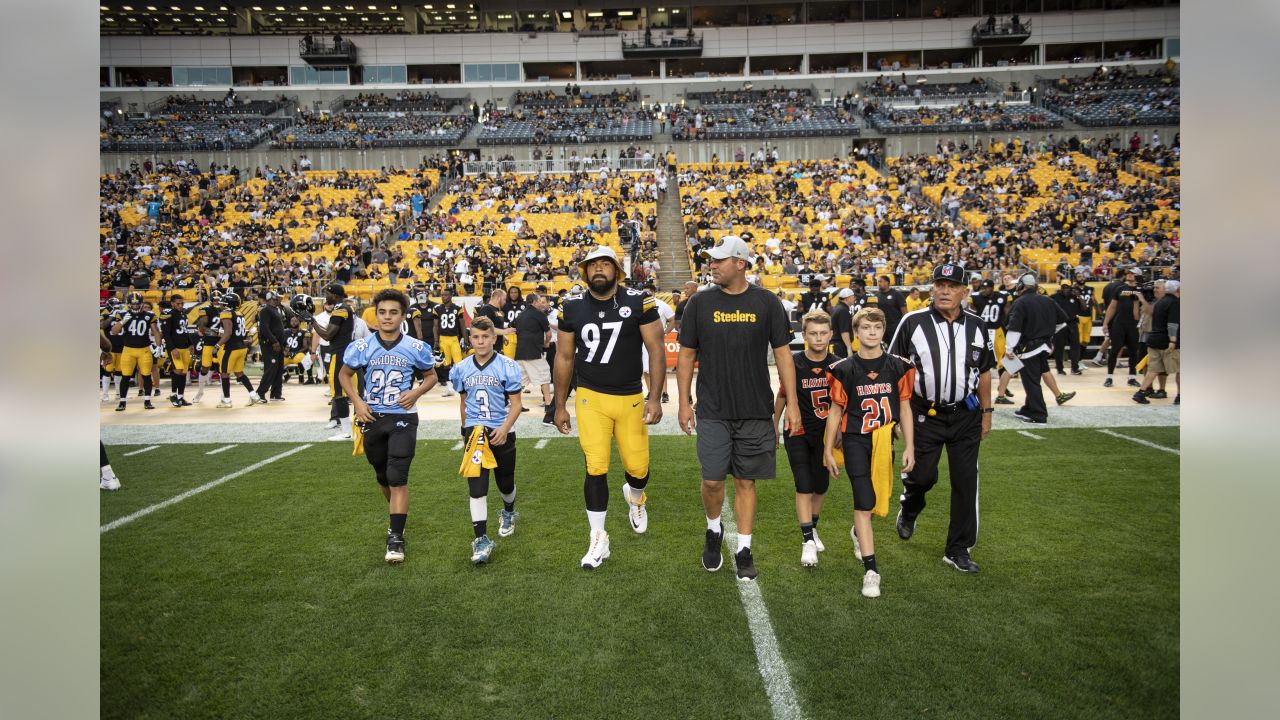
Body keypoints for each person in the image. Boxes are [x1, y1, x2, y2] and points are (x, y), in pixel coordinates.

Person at [677, 236, 798, 581]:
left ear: (741, 263)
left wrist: (792, 405)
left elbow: (783, 355)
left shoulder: (767, 302)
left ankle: (744, 548)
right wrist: (684, 402)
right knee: (712, 480)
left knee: (746, 481)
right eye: (710, 261)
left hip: (756, 409)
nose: (711, 265)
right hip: (713, 409)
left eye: (719, 260)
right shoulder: (700, 304)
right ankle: (714, 530)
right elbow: (686, 355)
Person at [555, 246, 666, 570]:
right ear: (584, 272)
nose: (599, 269)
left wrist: (655, 396)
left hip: (631, 397)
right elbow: (564, 357)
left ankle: (636, 498)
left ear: (617, 271)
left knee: (638, 469)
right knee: (595, 467)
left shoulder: (638, 300)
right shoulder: (572, 306)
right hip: (591, 397)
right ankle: (598, 537)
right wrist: (558, 405)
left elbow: (656, 349)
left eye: (606, 264)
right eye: (593, 265)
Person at [888, 263, 994, 573]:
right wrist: (895, 414)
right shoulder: (912, 322)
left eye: (952, 285)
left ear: (965, 291)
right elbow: (896, 370)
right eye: (940, 284)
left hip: (966, 414)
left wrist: (987, 413)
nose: (944, 290)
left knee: (965, 481)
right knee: (922, 475)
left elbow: (985, 371)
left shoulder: (978, 326)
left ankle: (958, 549)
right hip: (924, 413)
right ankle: (910, 507)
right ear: (932, 288)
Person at [339, 289, 438, 565]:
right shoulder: (362, 346)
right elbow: (344, 374)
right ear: (376, 314)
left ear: (402, 316)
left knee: (397, 476)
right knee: (383, 476)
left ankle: (395, 537)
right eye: (382, 312)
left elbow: (431, 377)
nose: (387, 317)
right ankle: (397, 516)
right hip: (372, 416)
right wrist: (357, 402)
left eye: (393, 312)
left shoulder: (416, 347)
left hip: (403, 417)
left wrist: (416, 392)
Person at [824, 307, 916, 598]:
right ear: (856, 333)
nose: (872, 333)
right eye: (865, 328)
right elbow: (835, 412)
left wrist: (910, 445)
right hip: (855, 439)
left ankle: (857, 532)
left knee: (875, 500)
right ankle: (871, 570)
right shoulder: (844, 368)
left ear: (884, 331)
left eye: (877, 327)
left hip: (884, 440)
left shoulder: (899, 366)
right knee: (864, 501)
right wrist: (827, 450)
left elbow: (904, 408)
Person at [451, 316, 524, 564]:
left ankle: (509, 511)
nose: (480, 342)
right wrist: (465, 432)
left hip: (500, 430)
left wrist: (505, 428)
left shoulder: (507, 365)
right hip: (476, 433)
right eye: (476, 337)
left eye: (485, 337)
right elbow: (463, 403)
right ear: (470, 338)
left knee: (505, 483)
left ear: (494, 338)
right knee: (477, 488)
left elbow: (516, 405)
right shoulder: (461, 368)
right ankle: (481, 539)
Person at [773, 311, 841, 568]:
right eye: (813, 333)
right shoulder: (794, 362)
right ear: (804, 334)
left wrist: (842, 432)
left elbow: (843, 402)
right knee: (803, 483)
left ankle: (812, 528)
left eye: (823, 333)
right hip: (798, 430)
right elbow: (782, 394)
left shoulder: (838, 365)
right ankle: (807, 541)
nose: (819, 338)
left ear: (831, 334)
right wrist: (774, 424)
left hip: (827, 434)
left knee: (821, 485)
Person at [1003, 273, 1075, 425]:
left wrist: (1009, 349)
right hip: (1044, 346)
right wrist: (1048, 335)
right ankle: (1029, 408)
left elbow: (1015, 328)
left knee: (1030, 381)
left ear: (1021, 286)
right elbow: (1062, 321)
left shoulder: (1020, 302)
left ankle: (1038, 413)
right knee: (1034, 378)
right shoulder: (1048, 300)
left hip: (1028, 348)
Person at [309, 283, 356, 438]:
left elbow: (328, 335)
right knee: (346, 392)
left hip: (340, 354)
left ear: (334, 295)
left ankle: (346, 431)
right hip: (345, 353)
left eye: (328, 293)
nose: (326, 296)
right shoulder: (343, 309)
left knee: (339, 394)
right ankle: (351, 428)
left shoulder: (341, 309)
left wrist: (312, 321)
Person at [111, 292, 162, 412]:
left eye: (137, 303)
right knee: (125, 376)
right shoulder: (122, 314)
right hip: (128, 349)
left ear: (141, 303)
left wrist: (158, 347)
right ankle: (122, 402)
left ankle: (147, 400)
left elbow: (156, 332)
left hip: (144, 349)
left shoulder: (149, 315)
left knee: (146, 375)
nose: (135, 306)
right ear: (129, 304)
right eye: (133, 304)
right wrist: (122, 321)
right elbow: (114, 331)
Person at [1133, 280, 1179, 405]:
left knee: (1153, 369)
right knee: (1180, 369)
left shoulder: (1159, 303)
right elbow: (1172, 324)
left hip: (1153, 339)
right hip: (1166, 340)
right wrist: (1173, 340)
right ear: (1177, 290)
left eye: (1157, 288)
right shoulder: (1174, 303)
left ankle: (1140, 393)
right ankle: (1180, 396)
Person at [215, 291, 261, 408]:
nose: (221, 305)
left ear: (228, 304)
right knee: (239, 373)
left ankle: (226, 400)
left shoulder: (226, 313)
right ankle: (253, 395)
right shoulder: (239, 313)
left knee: (224, 374)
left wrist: (218, 345)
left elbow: (228, 333)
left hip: (231, 348)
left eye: (223, 303)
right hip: (241, 347)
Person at [512, 292, 553, 414]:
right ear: (534, 302)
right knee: (544, 377)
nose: (541, 304)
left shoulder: (519, 316)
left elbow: (514, 329)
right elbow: (549, 334)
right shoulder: (540, 314)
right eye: (539, 301)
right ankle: (548, 404)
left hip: (520, 352)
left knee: (519, 381)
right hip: (534, 351)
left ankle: (516, 405)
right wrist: (546, 343)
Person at [1102, 268, 1142, 387]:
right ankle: (1109, 377)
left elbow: (1141, 310)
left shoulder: (1142, 290)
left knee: (1133, 352)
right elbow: (1112, 307)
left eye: (1132, 273)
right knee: (1114, 350)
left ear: (1138, 276)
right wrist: (1105, 323)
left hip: (1134, 325)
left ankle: (1132, 377)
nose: (1129, 275)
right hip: (1119, 323)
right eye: (1128, 273)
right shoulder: (1119, 289)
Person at [159, 293, 193, 407]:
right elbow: (166, 334)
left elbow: (184, 331)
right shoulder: (168, 314)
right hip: (175, 347)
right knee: (177, 370)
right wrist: (172, 348)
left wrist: (190, 344)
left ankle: (180, 397)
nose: (180, 305)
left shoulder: (183, 313)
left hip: (184, 347)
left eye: (182, 303)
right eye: (178, 303)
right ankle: (173, 394)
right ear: (172, 303)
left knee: (183, 372)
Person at [255, 291, 287, 402]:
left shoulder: (276, 310)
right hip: (270, 345)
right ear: (272, 299)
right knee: (271, 369)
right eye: (278, 298)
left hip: (278, 344)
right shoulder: (265, 310)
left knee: (278, 369)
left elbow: (279, 329)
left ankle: (275, 394)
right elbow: (264, 328)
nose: (280, 299)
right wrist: (274, 341)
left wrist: (284, 343)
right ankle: (260, 393)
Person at [435, 287, 464, 397]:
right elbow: (435, 327)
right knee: (446, 364)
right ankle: (450, 387)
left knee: (459, 364)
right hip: (443, 338)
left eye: (446, 295)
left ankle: (461, 385)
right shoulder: (438, 309)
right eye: (442, 295)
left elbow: (462, 325)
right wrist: (436, 341)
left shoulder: (457, 308)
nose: (443, 297)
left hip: (454, 338)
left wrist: (465, 339)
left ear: (451, 296)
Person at [1050, 282, 1082, 375]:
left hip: (1072, 323)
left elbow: (1084, 308)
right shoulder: (1054, 297)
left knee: (1075, 346)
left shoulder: (1075, 297)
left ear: (1070, 287)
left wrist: (1079, 296)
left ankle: (1075, 368)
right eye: (1063, 287)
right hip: (1059, 324)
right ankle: (1060, 369)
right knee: (1059, 348)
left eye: (1067, 287)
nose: (1065, 289)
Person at [474, 289, 514, 358]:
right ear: (498, 298)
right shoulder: (486, 309)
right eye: (504, 299)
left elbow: (496, 325)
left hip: (497, 348)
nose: (505, 302)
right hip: (488, 350)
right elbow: (484, 327)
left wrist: (502, 336)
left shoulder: (497, 310)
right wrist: (504, 331)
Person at [872, 275, 908, 341]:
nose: (878, 284)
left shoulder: (896, 294)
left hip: (895, 326)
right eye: (878, 282)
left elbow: (904, 312)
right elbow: (875, 311)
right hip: (882, 326)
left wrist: (904, 326)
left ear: (887, 282)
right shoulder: (876, 295)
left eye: (880, 281)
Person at [829, 288, 856, 358]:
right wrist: (849, 348)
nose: (854, 299)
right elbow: (844, 332)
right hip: (840, 346)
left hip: (836, 344)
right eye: (853, 297)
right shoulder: (843, 311)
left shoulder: (838, 308)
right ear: (847, 298)